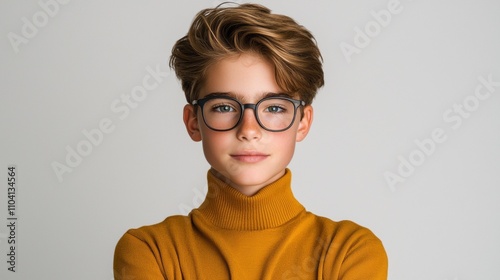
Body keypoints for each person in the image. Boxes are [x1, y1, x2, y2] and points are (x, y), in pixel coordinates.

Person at [114, 3, 388, 279]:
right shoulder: (150, 250)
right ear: (193, 122)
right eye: (224, 107)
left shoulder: (349, 251)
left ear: (302, 122)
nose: (249, 129)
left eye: (274, 108)